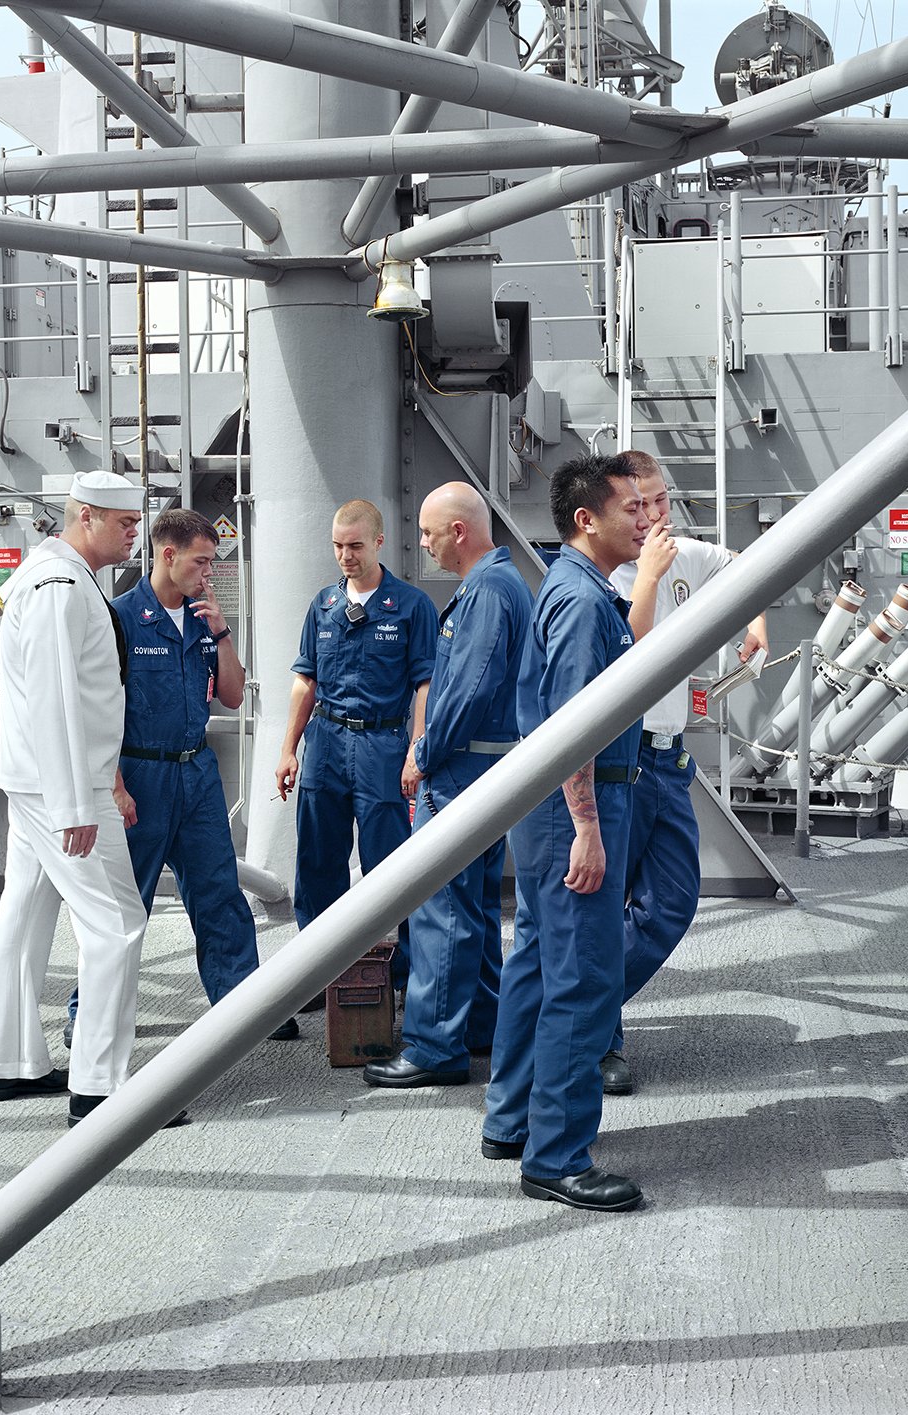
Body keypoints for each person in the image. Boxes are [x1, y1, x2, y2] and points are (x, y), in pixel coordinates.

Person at [0, 470, 183, 1129]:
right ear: (85, 515)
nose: (134, 536)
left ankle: (7, 1060)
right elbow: (57, 700)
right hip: (64, 785)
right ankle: (101, 1084)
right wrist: (75, 806)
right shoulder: (63, 589)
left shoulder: (43, 574)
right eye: (124, 524)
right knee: (118, 925)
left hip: (34, 779)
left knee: (26, 912)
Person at [62, 508, 299, 1043]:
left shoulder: (203, 620)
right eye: (202, 561)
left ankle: (244, 1006)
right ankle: (89, 1013)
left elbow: (234, 696)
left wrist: (223, 633)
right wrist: (113, 783)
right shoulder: (118, 618)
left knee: (219, 892)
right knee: (126, 903)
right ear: (168, 555)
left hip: (196, 775)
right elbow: (93, 710)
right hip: (139, 776)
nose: (209, 573)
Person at [481, 454, 649, 1212]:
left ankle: (513, 1121)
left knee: (540, 969)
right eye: (631, 509)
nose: (645, 520)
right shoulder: (583, 603)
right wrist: (587, 826)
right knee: (582, 982)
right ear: (588, 519)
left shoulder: (575, 587)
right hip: (576, 807)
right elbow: (571, 727)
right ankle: (557, 1156)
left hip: (553, 808)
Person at [604, 449, 769, 1095]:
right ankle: (592, 1035)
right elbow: (632, 655)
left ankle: (571, 1013)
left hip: (669, 758)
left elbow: (744, 567)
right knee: (606, 907)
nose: (650, 517)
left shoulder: (686, 555)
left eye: (659, 502)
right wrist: (647, 574)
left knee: (670, 901)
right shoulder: (609, 575)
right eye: (635, 505)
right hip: (623, 756)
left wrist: (752, 622)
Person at [363, 483, 533, 1088]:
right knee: (479, 906)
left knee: (443, 908)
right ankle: (483, 1023)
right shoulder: (501, 584)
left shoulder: (487, 590)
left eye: (430, 533)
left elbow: (471, 687)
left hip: (460, 772)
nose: (426, 544)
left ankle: (435, 1046)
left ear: (458, 532)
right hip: (489, 770)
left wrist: (423, 752)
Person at [274, 500, 436, 988]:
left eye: (355, 546)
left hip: (381, 745)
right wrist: (287, 749)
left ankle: (406, 977)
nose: (345, 556)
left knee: (391, 863)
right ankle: (316, 971)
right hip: (325, 742)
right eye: (338, 547)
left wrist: (416, 750)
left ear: (379, 542)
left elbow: (425, 685)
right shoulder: (323, 605)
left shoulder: (411, 606)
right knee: (318, 859)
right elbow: (305, 680)